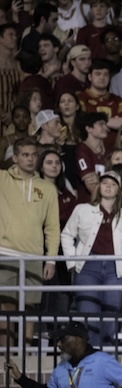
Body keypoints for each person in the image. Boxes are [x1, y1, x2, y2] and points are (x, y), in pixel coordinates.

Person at [61, 170, 122, 346]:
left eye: (113, 184)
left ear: (119, 190)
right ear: (98, 187)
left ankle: (105, 356)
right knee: (88, 316)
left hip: (115, 269)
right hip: (88, 267)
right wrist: (72, 262)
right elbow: (66, 235)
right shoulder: (83, 210)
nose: (108, 186)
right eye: (104, 183)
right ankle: (91, 356)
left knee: (110, 318)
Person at [0, 137, 60, 345]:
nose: (30, 159)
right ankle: (4, 359)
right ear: (15, 158)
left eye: (34, 155)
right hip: (5, 253)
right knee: (5, 307)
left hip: (34, 255)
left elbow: (52, 227)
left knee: (30, 308)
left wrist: (51, 259)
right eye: (25, 155)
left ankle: (26, 356)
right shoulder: (2, 180)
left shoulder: (48, 189)